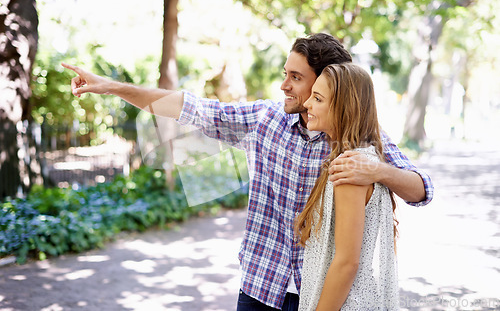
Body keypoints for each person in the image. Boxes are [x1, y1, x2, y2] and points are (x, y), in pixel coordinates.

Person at [62, 33, 433, 311]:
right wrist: (111, 87)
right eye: (284, 74)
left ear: (327, 82)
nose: (284, 85)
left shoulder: (358, 139)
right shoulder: (265, 119)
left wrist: (378, 170)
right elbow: (191, 108)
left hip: (320, 294)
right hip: (260, 287)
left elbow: (421, 189)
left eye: (296, 78)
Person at [296, 63, 399, 310]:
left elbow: (347, 263)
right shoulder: (363, 159)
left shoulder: (351, 167)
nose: (307, 104)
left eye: (318, 98)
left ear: (344, 107)